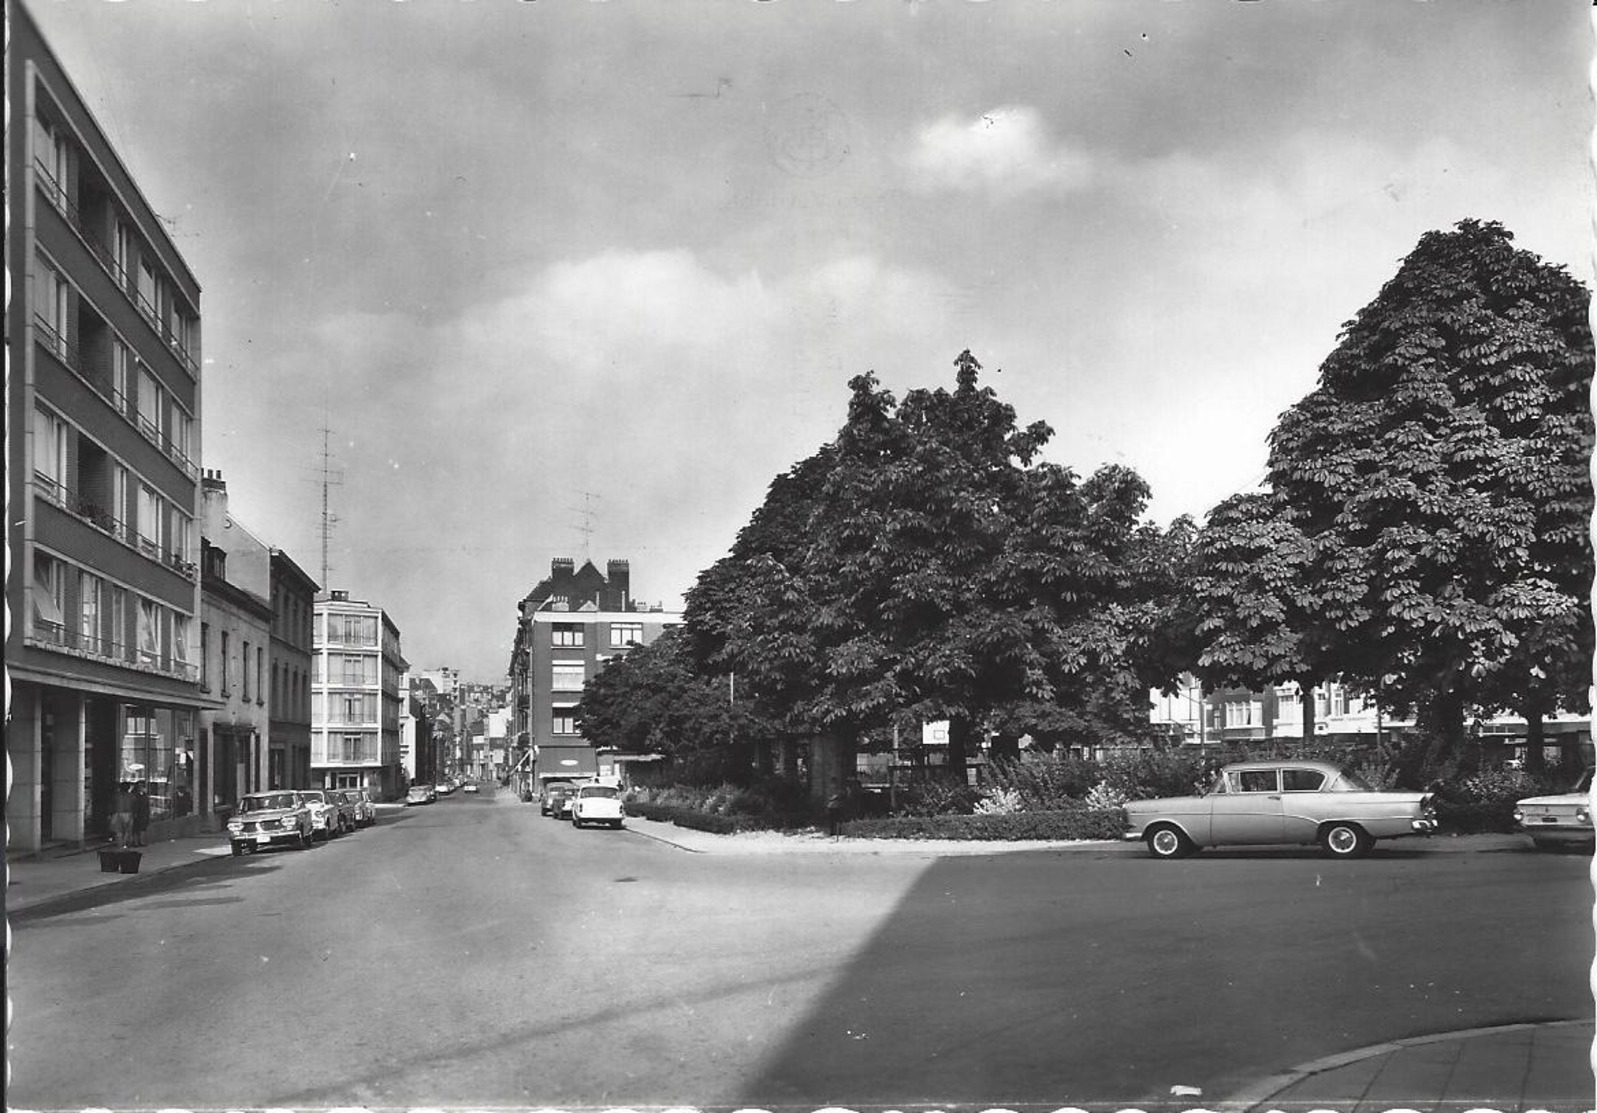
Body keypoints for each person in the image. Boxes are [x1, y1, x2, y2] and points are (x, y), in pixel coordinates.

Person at [109, 782, 135, 848]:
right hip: (129, 814)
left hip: (118, 814)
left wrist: (110, 814)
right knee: (127, 831)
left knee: (119, 831)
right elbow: (134, 805)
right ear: (128, 788)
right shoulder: (131, 796)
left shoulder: (116, 795)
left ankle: (120, 845)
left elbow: (112, 805)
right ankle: (125, 844)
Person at [131, 781, 151, 847]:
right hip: (137, 814)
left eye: (142, 786)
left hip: (143, 814)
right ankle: (135, 842)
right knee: (136, 829)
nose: (141, 788)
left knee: (142, 828)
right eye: (139, 786)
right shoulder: (134, 795)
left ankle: (141, 842)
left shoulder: (144, 795)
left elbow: (147, 805)